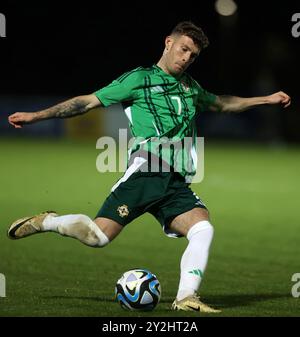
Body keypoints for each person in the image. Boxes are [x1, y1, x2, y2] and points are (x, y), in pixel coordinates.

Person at [7, 21, 291, 313]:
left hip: (174, 179)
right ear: (168, 43)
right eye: (183, 49)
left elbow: (222, 103)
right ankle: (48, 221)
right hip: (149, 168)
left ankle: (186, 297)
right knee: (97, 237)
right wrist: (36, 116)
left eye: (193, 55)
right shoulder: (139, 79)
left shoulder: (190, 88)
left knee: (202, 227)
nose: (186, 58)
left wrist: (265, 99)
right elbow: (87, 102)